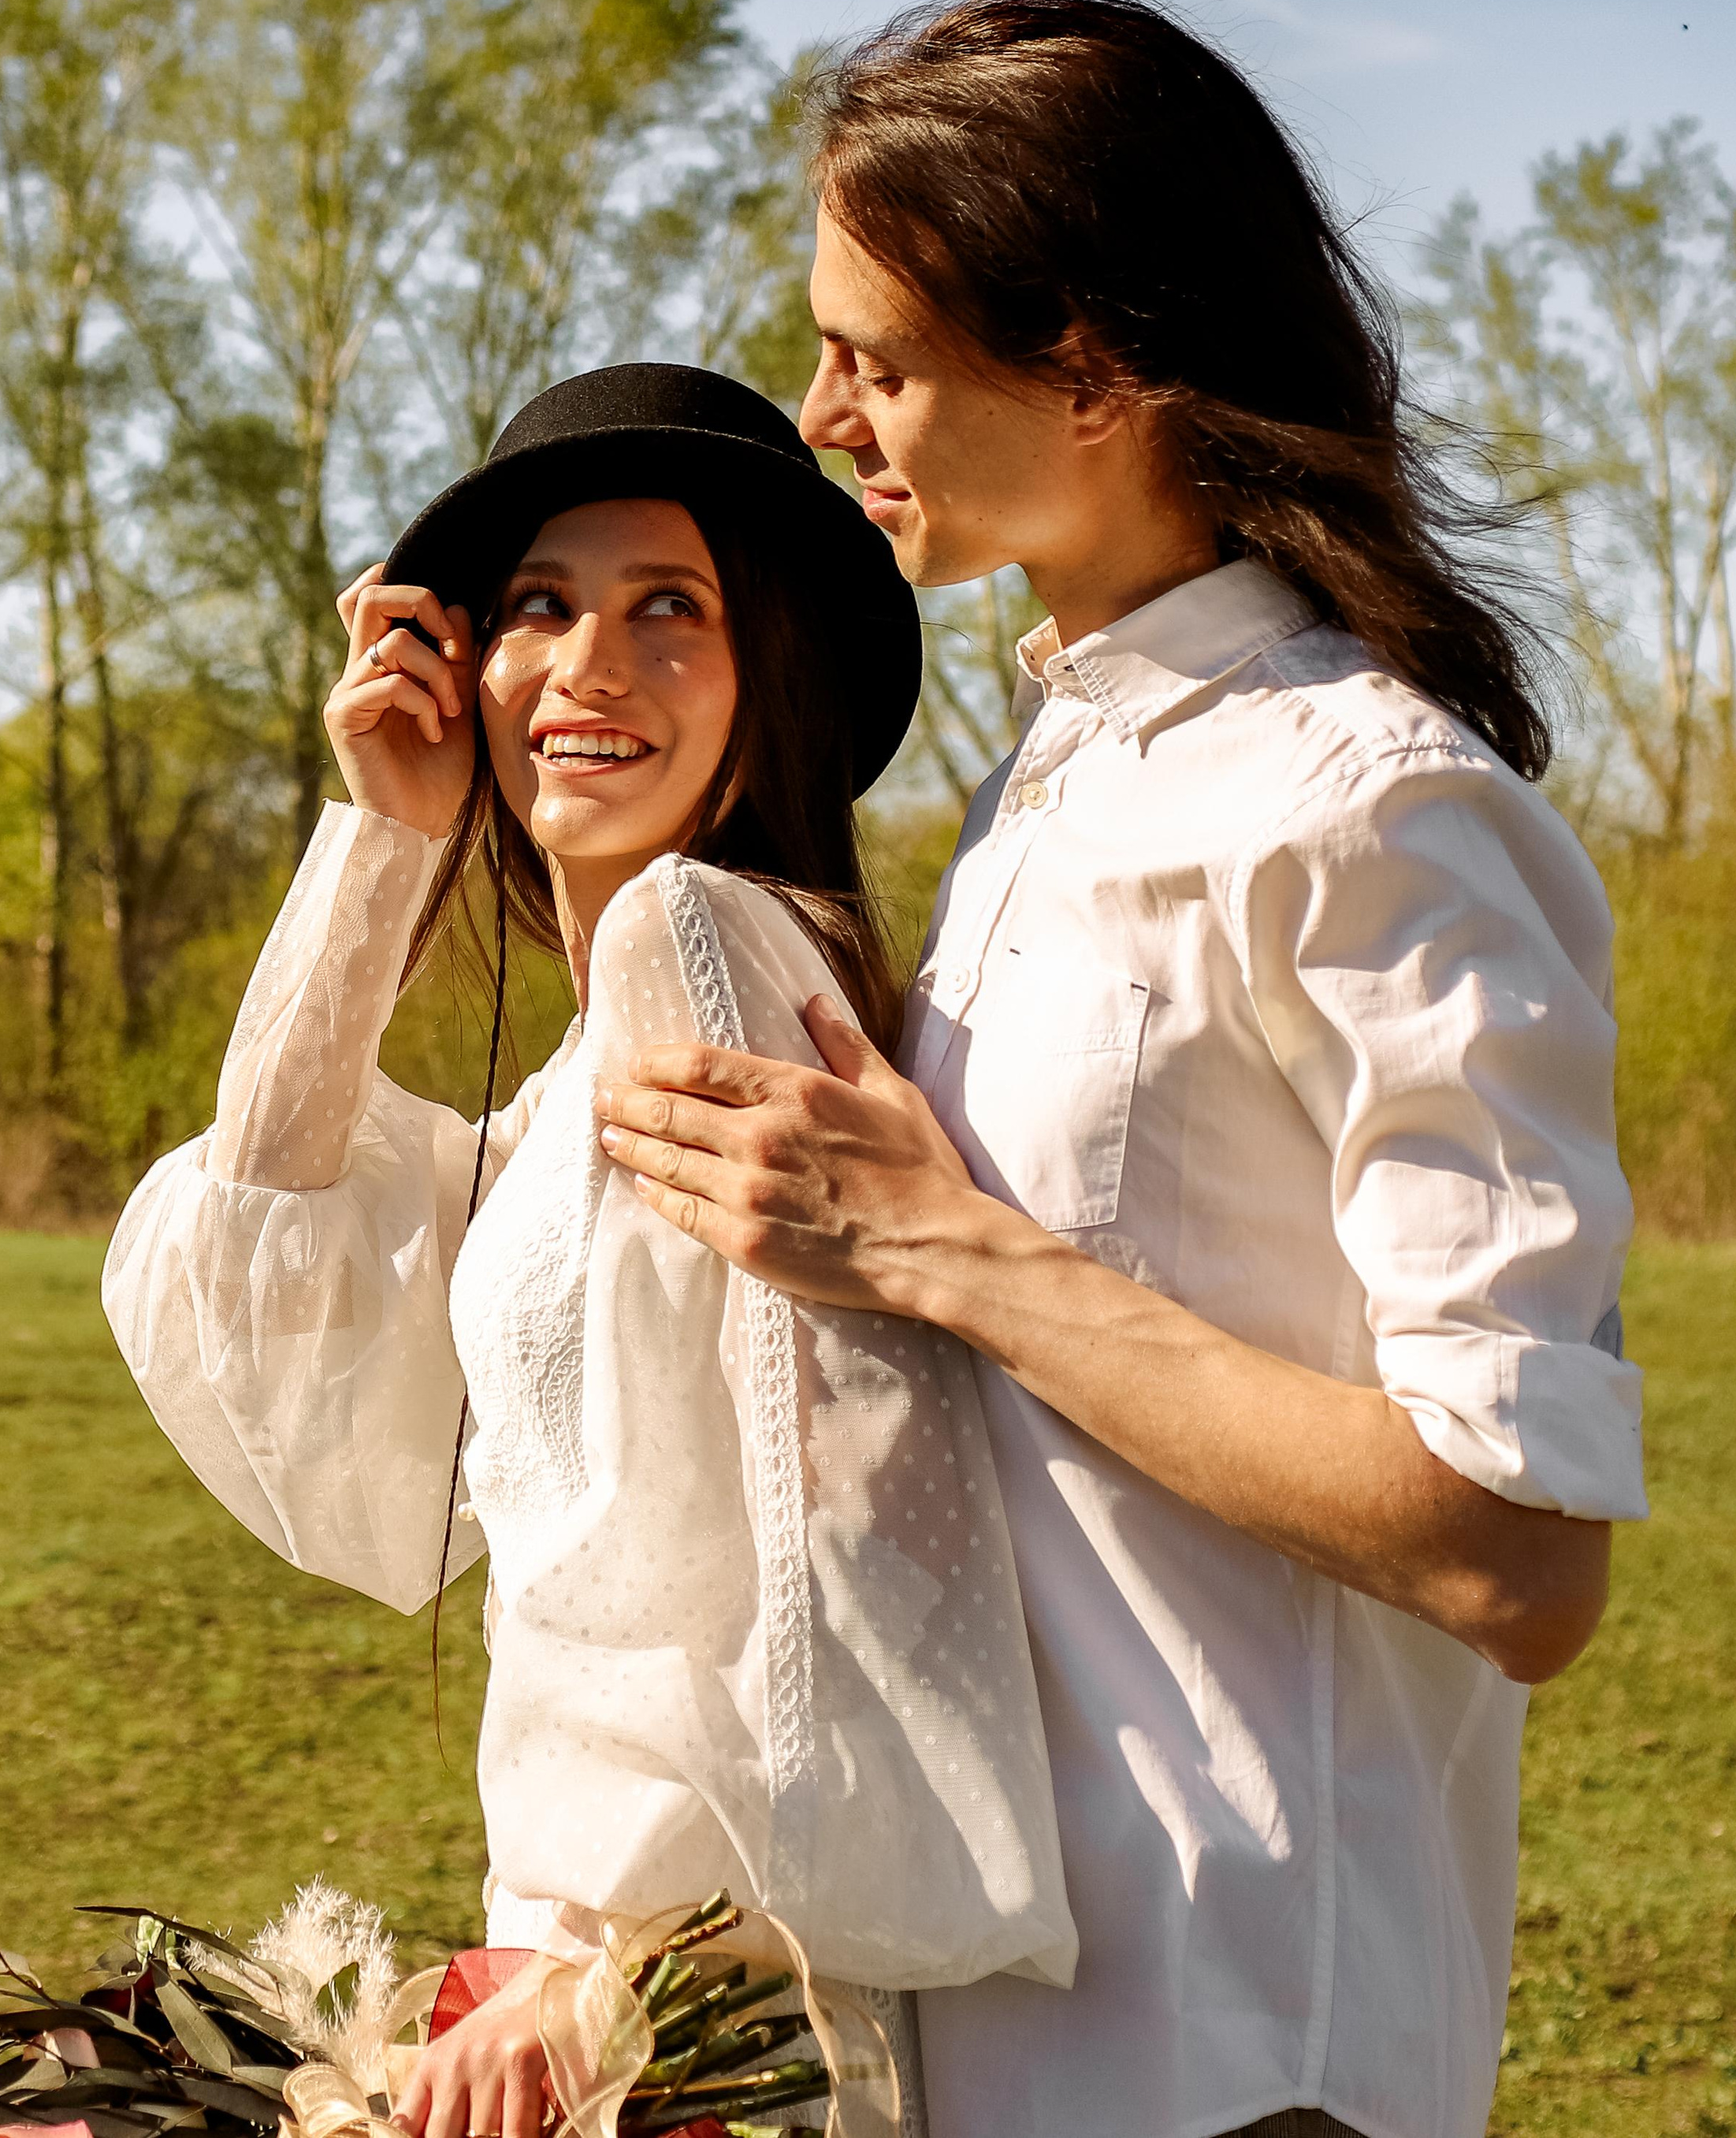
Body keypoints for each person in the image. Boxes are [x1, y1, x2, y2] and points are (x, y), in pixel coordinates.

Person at [596, 0, 1649, 2138]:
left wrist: (953, 1254)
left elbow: (1518, 1553)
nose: (820, 411)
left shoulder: (1365, 799)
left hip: (1241, 2037)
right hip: (974, 2014)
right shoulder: (1041, 785)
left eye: (873, 357)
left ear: (1089, 362)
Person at [102, 363, 1074, 2138]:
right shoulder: (582, 1062)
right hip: (579, 1977)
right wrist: (383, 840)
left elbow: (839, 1528)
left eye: (667, 610)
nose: (586, 668)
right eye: (538, 607)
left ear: (763, 669)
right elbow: (261, 1270)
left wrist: (627, 1969)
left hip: (694, 1998)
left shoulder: (696, 947)